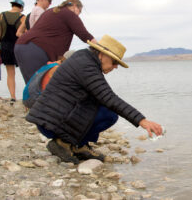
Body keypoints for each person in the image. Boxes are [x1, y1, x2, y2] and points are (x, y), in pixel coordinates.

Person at [26, 35, 163, 164]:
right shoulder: (86, 66)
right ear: (102, 54)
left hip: (50, 120)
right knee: (109, 115)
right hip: (50, 124)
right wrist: (142, 121)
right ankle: (63, 144)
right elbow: (109, 98)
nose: (115, 67)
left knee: (101, 106)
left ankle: (79, 146)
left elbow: (102, 96)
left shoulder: (84, 59)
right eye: (114, 62)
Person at [15, 0, 98, 84]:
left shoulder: (52, 11)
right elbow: (84, 35)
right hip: (35, 49)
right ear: (74, 6)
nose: (78, 16)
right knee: (39, 86)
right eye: (79, 12)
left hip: (22, 46)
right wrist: (101, 48)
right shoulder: (69, 13)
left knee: (32, 86)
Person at [0, 0, 25, 104]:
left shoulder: (1, 15)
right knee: (24, 71)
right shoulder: (23, 17)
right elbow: (24, 33)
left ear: (12, 5)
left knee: (10, 74)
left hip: (5, 46)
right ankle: (26, 96)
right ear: (21, 7)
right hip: (18, 46)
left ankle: (13, 96)